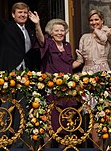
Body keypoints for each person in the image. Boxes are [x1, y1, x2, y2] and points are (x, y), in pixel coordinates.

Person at [0, 0, 41, 149]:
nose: (23, 15)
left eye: (25, 12)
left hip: (26, 75)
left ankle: (20, 144)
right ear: (13, 14)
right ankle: (2, 140)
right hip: (8, 73)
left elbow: (39, 46)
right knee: (6, 107)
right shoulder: (6, 27)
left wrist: (37, 24)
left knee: (24, 110)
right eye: (20, 13)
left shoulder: (31, 30)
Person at [73, 0, 111, 148]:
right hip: (87, 74)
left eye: (97, 20)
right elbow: (79, 60)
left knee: (102, 112)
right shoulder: (84, 37)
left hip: (102, 73)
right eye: (91, 20)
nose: (94, 23)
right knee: (90, 113)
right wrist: (60, 68)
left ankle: (101, 145)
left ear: (102, 21)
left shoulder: (106, 34)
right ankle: (95, 145)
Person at [30, 16, 76, 148]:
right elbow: (40, 39)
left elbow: (69, 65)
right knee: (50, 123)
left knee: (66, 124)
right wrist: (37, 24)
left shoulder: (68, 46)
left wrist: (82, 59)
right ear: (51, 32)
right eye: (57, 31)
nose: (60, 33)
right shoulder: (48, 43)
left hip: (66, 91)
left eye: (62, 30)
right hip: (51, 91)